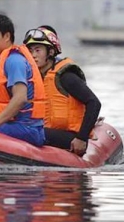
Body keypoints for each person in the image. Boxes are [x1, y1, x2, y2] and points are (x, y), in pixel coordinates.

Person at [23, 25, 101, 156]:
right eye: (30, 51)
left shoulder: (66, 77)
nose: (33, 55)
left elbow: (94, 102)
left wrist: (81, 138)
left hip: (71, 136)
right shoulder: (33, 78)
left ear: (51, 52)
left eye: (38, 50)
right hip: (47, 131)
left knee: (30, 132)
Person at [0, 14, 45, 147]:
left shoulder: (14, 60)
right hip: (17, 125)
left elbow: (20, 98)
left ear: (7, 36)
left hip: (27, 128)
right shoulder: (3, 59)